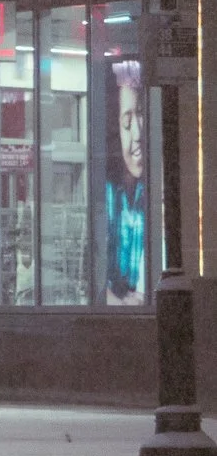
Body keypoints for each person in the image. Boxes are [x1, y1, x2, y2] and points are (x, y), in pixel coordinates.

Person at [103, 59, 148, 304]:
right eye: (127, 123)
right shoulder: (107, 194)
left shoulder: (157, 192)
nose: (138, 135)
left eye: (141, 116)